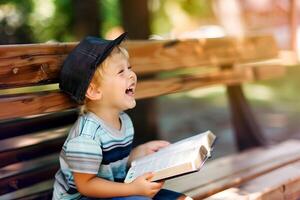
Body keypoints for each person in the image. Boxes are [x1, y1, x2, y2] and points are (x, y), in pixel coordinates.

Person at [53, 32, 192, 200]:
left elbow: (112, 167)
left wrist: (140, 152)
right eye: (121, 71)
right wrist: (133, 189)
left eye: (130, 68)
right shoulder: (86, 138)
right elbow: (86, 185)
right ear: (94, 91)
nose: (131, 75)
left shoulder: (124, 121)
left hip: (114, 191)